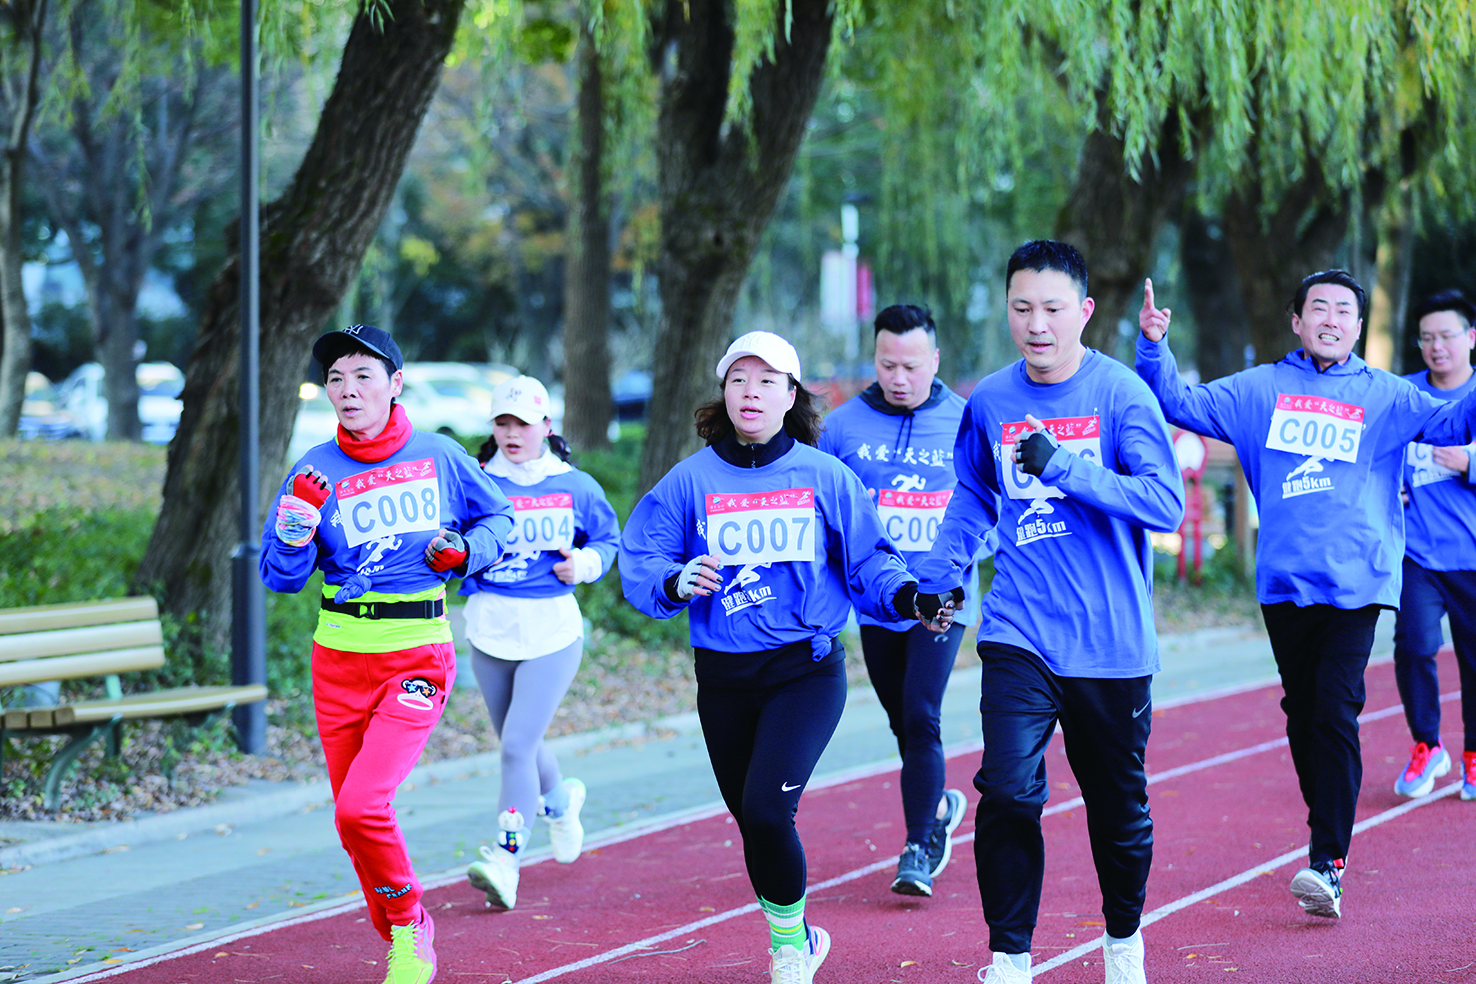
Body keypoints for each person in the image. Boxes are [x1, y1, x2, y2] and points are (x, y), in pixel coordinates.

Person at [1135, 270, 1476, 920]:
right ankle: (1327, 825)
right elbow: (1178, 403)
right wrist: (1154, 344)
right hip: (1286, 584)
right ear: (1296, 321)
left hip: (1360, 582)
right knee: (1302, 713)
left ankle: (1328, 860)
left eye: (1344, 311)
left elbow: (1454, 418)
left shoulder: (1387, 395)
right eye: (1318, 308)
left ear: (1357, 327)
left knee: (1335, 711)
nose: (1330, 319)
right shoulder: (1261, 388)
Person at [619, 331, 950, 984]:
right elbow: (644, 556)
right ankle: (798, 932)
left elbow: (869, 558)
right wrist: (673, 581)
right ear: (724, 392)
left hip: (805, 669)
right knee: (753, 822)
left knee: (770, 812)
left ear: (791, 396)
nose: (752, 391)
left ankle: (789, 955)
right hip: (722, 677)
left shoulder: (824, 476)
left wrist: (907, 594)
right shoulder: (689, 482)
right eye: (740, 378)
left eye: (768, 381)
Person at [916, 241, 1184, 984]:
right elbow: (972, 498)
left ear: (1084, 313)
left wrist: (1065, 466)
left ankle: (1123, 939)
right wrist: (941, 580)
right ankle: (1010, 955)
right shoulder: (992, 401)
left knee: (1118, 809)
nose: (1036, 324)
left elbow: (1165, 503)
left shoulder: (1121, 394)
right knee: (1006, 789)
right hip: (1019, 631)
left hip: (1111, 644)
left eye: (1052, 309)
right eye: (1022, 308)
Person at [260, 325, 514, 984]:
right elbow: (282, 576)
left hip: (415, 654)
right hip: (338, 657)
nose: (348, 390)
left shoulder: (441, 455)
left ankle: (409, 933)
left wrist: (466, 554)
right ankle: (406, 928)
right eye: (336, 379)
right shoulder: (313, 470)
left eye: (363, 376)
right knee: (353, 826)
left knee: (361, 807)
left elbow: (499, 522)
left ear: (396, 384)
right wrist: (296, 523)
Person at [817, 304, 973, 897]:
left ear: (934, 360)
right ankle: (936, 809)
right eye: (887, 365)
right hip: (875, 599)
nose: (899, 378)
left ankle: (916, 847)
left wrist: (956, 566)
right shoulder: (842, 427)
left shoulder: (965, 421)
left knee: (919, 712)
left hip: (941, 597)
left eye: (912, 366)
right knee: (900, 722)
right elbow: (821, 510)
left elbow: (991, 508)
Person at [459, 375, 621, 909]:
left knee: (513, 746)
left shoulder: (575, 485)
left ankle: (505, 858)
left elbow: (607, 539)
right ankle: (560, 800)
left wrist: (585, 564)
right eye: (502, 423)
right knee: (521, 741)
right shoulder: (477, 481)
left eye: (522, 424)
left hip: (551, 630)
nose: (512, 433)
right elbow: (453, 540)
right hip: (489, 628)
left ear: (546, 427)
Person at [1391, 290, 1476, 801]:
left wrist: (1469, 464)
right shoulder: (1404, 395)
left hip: (1473, 558)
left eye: (1446, 336)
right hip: (1418, 554)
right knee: (1415, 646)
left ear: (1471, 337)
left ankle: (1473, 755)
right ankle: (1427, 745)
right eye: (1426, 338)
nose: (1436, 347)